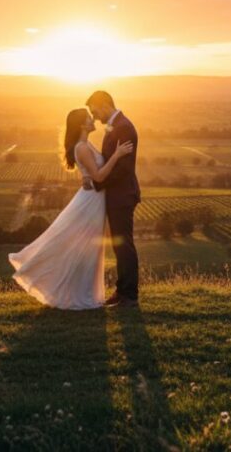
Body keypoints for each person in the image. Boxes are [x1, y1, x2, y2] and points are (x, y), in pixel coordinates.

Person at [8, 107, 133, 310]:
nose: (93, 119)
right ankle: (74, 292)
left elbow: (91, 172)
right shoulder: (82, 147)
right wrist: (117, 155)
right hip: (91, 202)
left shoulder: (84, 144)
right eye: (88, 117)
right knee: (82, 246)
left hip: (93, 199)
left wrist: (87, 175)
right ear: (82, 125)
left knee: (87, 248)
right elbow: (100, 177)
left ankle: (83, 292)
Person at [86, 90, 140, 307]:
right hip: (117, 195)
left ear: (105, 104)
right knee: (119, 246)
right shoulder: (115, 125)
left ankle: (130, 295)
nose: (94, 116)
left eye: (94, 110)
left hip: (122, 195)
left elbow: (123, 169)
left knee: (124, 245)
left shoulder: (124, 127)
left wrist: (98, 181)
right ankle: (122, 291)